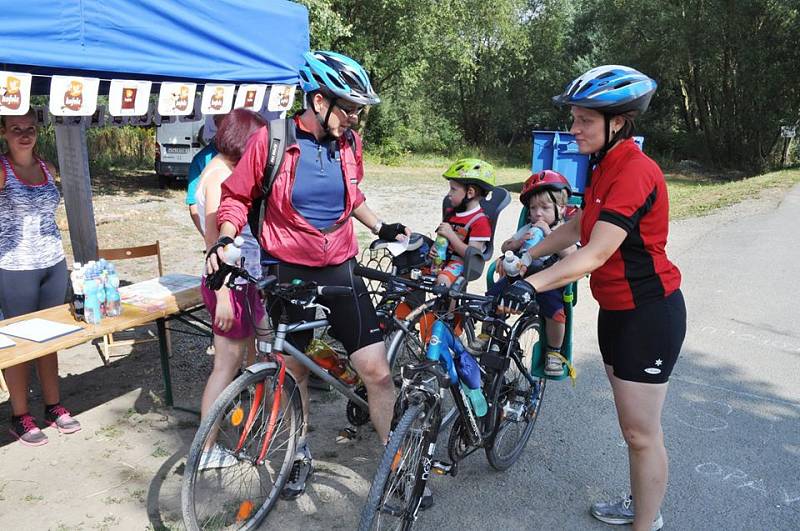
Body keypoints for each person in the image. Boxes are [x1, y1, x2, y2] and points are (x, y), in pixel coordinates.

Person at [207, 50, 410, 501]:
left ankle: (394, 458)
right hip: (289, 273)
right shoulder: (272, 141)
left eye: (359, 110)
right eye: (350, 108)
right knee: (293, 368)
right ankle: (298, 452)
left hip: (341, 268)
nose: (356, 119)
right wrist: (225, 239)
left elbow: (351, 196)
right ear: (319, 102)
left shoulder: (350, 144)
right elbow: (236, 197)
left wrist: (382, 227)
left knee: (376, 372)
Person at [498, 65, 686, 531]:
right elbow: (579, 226)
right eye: (574, 118)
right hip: (618, 313)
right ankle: (641, 503)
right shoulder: (603, 165)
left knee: (641, 434)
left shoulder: (635, 171)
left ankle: (647, 521)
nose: (573, 129)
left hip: (650, 315)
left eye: (584, 120)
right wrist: (527, 256)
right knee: (632, 429)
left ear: (617, 122)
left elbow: (596, 253)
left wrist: (530, 284)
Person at [194, 108, 271, 469]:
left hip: (243, 284)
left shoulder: (225, 171)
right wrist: (224, 293)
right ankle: (206, 450)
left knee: (250, 357)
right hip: (229, 285)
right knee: (224, 367)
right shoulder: (218, 177)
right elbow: (213, 244)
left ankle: (255, 421)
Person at [0, 109, 81, 446]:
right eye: (16, 128)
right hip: (14, 267)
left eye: (30, 128)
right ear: (3, 132)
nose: (24, 134)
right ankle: (20, 415)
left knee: (50, 338)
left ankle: (53, 405)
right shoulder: (2, 168)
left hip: (52, 263)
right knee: (18, 343)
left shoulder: (46, 165)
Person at [486, 170, 576, 376]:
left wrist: (548, 233)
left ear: (561, 209)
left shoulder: (566, 230)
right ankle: (489, 334)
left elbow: (572, 254)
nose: (537, 213)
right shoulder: (527, 227)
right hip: (521, 277)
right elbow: (505, 246)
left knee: (556, 313)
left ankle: (553, 353)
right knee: (493, 296)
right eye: (533, 208)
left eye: (544, 208)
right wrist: (516, 243)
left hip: (548, 281)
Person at [428, 158, 494, 287]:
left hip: (461, 263)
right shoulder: (451, 213)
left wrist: (451, 236)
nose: (449, 194)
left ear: (470, 193)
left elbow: (473, 256)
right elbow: (441, 239)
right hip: (442, 260)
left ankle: (448, 308)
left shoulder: (480, 222)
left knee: (443, 281)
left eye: (453, 189)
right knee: (412, 271)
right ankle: (414, 306)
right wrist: (434, 249)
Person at [187, 114, 227, 236]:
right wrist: (207, 236)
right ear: (215, 122)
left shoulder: (246, 153)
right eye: (224, 119)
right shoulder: (200, 160)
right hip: (215, 232)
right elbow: (193, 203)